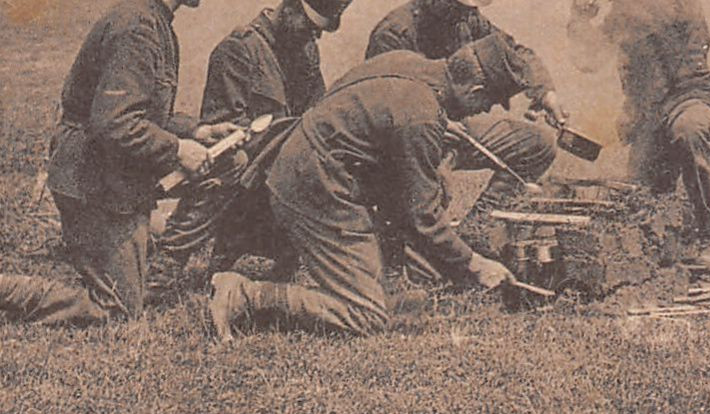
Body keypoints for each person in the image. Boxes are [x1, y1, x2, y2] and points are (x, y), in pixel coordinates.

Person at [0, 0, 237, 327]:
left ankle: (118, 262)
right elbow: (116, 124)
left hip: (110, 175)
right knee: (119, 312)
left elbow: (142, 112)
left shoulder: (152, 18)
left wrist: (195, 131)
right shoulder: (139, 27)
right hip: (92, 181)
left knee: (133, 290)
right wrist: (180, 149)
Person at [205, 34, 530, 340]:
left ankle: (384, 282)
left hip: (306, 165)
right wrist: (475, 262)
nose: (483, 111)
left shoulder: (406, 61)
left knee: (390, 288)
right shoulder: (422, 115)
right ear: (474, 90)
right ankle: (245, 294)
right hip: (315, 188)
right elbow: (422, 216)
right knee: (366, 315)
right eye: (487, 103)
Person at [159, 0, 354, 272]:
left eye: (319, 32)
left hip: (287, 167)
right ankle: (167, 264)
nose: (314, 38)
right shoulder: (239, 51)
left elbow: (316, 112)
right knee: (230, 168)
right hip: (245, 174)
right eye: (310, 26)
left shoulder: (304, 50)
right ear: (290, 6)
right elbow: (224, 140)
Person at [567, 0, 710, 267]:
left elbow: (658, 18)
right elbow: (589, 60)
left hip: (692, 97)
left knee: (689, 131)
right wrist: (579, 20)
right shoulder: (622, 8)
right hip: (649, 115)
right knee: (638, 202)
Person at [366, 0, 566, 207]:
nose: (469, 14)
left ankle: (481, 228)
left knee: (539, 143)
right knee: (429, 198)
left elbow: (514, 53)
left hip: (458, 131)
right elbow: (380, 105)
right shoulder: (395, 32)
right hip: (409, 141)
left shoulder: (467, 19)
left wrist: (546, 94)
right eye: (460, 5)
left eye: (472, 7)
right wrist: (436, 123)